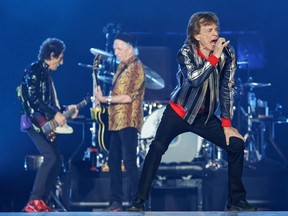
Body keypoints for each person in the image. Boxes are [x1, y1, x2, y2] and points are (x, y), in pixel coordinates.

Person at [127, 12, 256, 212]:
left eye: (216, 30)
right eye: (209, 30)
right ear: (197, 35)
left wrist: (227, 125)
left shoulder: (227, 53)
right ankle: (139, 200)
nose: (215, 34)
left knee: (236, 144)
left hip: (204, 118)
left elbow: (226, 89)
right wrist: (213, 58)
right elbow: (195, 80)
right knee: (157, 147)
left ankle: (236, 200)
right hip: (179, 112)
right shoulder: (185, 52)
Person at [19, 38, 79, 212]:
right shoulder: (34, 70)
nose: (62, 62)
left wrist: (66, 109)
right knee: (51, 157)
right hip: (35, 122)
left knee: (57, 159)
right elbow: (34, 99)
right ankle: (34, 200)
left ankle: (41, 201)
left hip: (45, 121)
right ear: (52, 55)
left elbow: (50, 102)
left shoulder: (46, 74)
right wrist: (55, 113)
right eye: (60, 58)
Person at [94, 33, 145, 211]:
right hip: (115, 122)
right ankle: (115, 202)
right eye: (115, 48)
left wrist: (105, 99)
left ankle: (137, 201)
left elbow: (128, 97)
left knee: (130, 162)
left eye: (119, 48)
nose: (115, 52)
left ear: (130, 48)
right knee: (113, 162)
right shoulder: (122, 67)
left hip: (128, 121)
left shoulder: (136, 67)